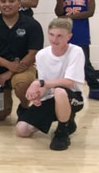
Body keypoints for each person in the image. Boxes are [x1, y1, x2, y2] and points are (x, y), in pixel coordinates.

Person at [16, 18, 85, 151]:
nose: (54, 39)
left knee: (60, 91)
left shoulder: (76, 52)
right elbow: (45, 87)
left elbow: (69, 83)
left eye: (60, 36)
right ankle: (67, 120)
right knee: (22, 130)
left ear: (69, 37)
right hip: (52, 98)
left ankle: (62, 131)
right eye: (51, 35)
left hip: (73, 97)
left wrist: (39, 83)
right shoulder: (42, 55)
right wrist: (37, 94)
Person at [0, 0, 44, 121]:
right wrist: (8, 65)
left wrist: (10, 72)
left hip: (22, 68)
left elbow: (33, 53)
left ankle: (24, 106)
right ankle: (2, 101)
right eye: (3, 1)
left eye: (11, 1)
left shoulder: (32, 25)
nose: (7, 4)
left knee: (21, 85)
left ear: (19, 3)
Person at [55, 0, 98, 99]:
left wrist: (69, 17)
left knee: (84, 62)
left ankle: (95, 88)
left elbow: (90, 12)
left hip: (81, 34)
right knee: (63, 61)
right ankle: (62, 88)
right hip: (64, 34)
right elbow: (58, 12)